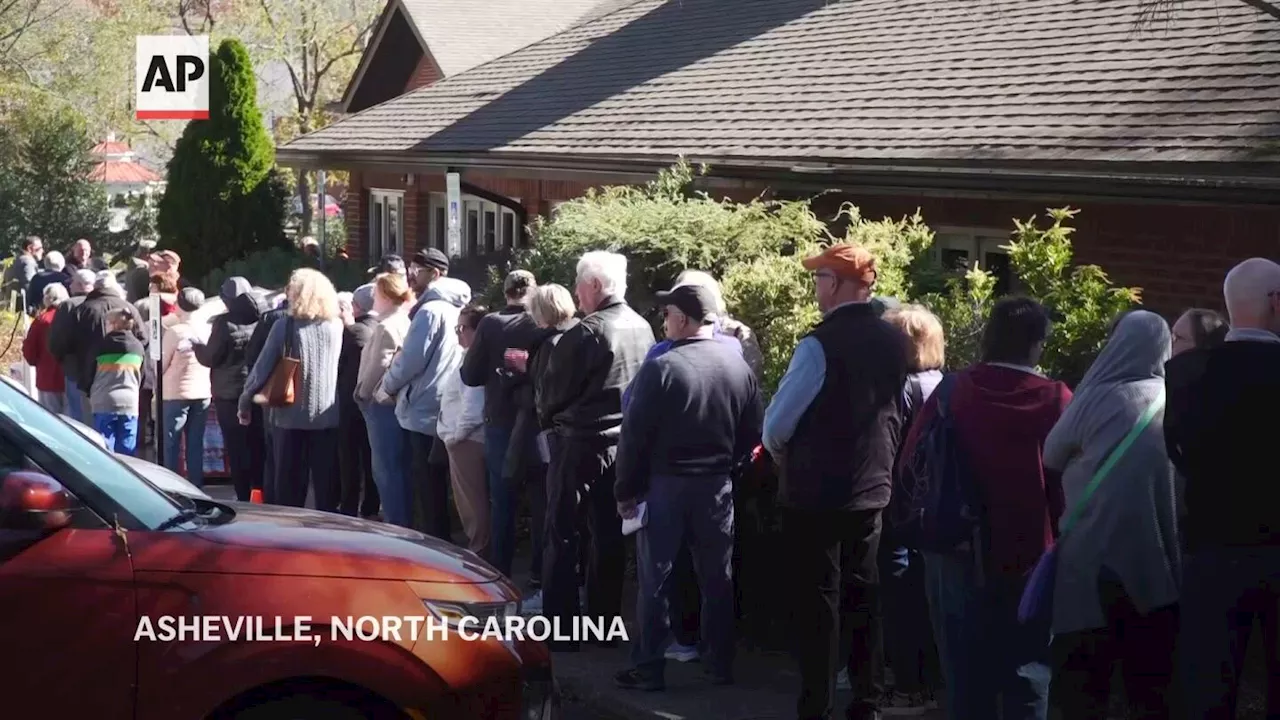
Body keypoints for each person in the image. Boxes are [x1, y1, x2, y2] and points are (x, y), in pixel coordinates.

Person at [898, 296, 1071, 720]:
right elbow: (1069, 483)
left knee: (963, 674)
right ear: (1037, 343)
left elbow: (909, 465)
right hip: (1029, 554)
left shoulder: (953, 390)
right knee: (1027, 674)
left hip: (953, 547)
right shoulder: (1056, 399)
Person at [761, 243, 907, 720]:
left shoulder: (818, 344)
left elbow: (777, 426)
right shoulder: (893, 341)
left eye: (821, 277)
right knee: (866, 595)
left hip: (816, 495)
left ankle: (816, 706)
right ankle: (867, 701)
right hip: (871, 488)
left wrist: (785, 458)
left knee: (818, 603)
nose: (816, 286)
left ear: (842, 284)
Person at [614, 283, 762, 691]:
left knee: (656, 578)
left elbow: (634, 436)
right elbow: (753, 434)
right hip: (716, 486)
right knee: (717, 576)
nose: (664, 323)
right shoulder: (738, 367)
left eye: (666, 316)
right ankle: (720, 663)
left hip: (666, 485)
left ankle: (648, 667)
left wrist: (625, 490)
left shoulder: (661, 368)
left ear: (682, 319)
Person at [1042, 310, 1179, 719]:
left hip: (1089, 560)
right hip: (1157, 561)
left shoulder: (1096, 396)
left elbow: (1051, 456)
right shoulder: (1177, 398)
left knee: (1084, 686)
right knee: (1150, 686)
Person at [1166, 257, 1280, 719]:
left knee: (1207, 689)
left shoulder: (1187, 374)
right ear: (1276, 303)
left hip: (1210, 546)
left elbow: (1179, 456)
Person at [539, 250, 655, 651]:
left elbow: (551, 395)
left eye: (578, 282)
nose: (575, 290)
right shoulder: (643, 328)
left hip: (580, 442)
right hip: (623, 444)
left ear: (594, 287)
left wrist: (549, 419)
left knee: (563, 532)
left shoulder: (586, 333)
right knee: (608, 535)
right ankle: (605, 624)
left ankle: (561, 630)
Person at [876, 304, 946, 705]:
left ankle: (907, 686)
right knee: (927, 597)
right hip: (933, 507)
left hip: (899, 506)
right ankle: (930, 680)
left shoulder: (900, 388)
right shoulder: (945, 384)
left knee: (899, 598)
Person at [378, 253, 470, 539]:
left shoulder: (430, 311)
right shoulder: (456, 308)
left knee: (427, 486)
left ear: (436, 274)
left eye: (417, 270)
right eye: (410, 268)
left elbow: (410, 360)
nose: (410, 274)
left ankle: (433, 546)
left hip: (423, 407)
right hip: (445, 403)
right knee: (438, 485)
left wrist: (387, 386)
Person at [460, 269, 544, 577]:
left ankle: (500, 573)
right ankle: (540, 573)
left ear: (506, 292)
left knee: (503, 500)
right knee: (541, 502)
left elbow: (469, 375)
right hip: (538, 423)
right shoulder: (543, 324)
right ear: (534, 292)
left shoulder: (492, 324)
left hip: (501, 421)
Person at [239, 269, 344, 511]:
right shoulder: (336, 326)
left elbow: (261, 369)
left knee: (288, 488)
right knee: (325, 485)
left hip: (289, 416)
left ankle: (291, 537)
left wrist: (245, 401)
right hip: (327, 416)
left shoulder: (284, 326)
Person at [512, 283, 580, 613]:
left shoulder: (550, 343)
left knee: (552, 516)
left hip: (552, 438)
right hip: (574, 437)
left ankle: (550, 594)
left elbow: (544, 397)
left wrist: (517, 378)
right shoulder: (579, 334)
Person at [192, 277, 268, 501]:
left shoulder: (224, 323)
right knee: (258, 446)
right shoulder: (263, 318)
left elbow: (211, 357)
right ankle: (260, 492)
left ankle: (243, 495)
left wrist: (197, 346)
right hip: (257, 389)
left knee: (236, 448)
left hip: (229, 393)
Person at [355, 272, 415, 526]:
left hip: (380, 405)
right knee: (397, 466)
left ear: (386, 295)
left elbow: (378, 364)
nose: (373, 299)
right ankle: (400, 520)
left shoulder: (386, 326)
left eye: (376, 293)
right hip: (395, 402)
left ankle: (396, 523)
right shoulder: (405, 320)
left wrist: (362, 393)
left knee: (385, 468)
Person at [439, 304, 489, 556]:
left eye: (463, 328)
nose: (458, 333)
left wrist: (455, 437)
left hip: (467, 440)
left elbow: (473, 406)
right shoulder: (468, 355)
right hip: (461, 438)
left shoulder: (475, 359)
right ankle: (478, 546)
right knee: (468, 500)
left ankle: (479, 550)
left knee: (472, 501)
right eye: (456, 328)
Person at [160, 287, 212, 484]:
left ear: (179, 305)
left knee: (171, 444)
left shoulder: (175, 331)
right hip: (202, 391)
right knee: (195, 444)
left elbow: (162, 364)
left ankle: (170, 485)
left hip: (175, 393)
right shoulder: (206, 330)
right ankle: (196, 484)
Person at [337, 285, 379, 518]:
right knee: (372, 456)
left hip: (351, 402)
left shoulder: (353, 332)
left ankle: (349, 507)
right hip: (377, 401)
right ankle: (371, 506)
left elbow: (339, 366)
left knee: (350, 459)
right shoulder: (380, 328)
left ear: (356, 306)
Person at [88, 308, 146, 455]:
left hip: (104, 400)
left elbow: (88, 372)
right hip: (130, 402)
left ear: (113, 324)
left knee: (105, 449)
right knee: (128, 449)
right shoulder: (138, 347)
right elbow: (142, 376)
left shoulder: (100, 345)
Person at [46, 269, 98, 423]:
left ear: (79, 285)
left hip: (74, 368)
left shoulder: (68, 306)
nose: (70, 285)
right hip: (102, 368)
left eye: (73, 282)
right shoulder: (104, 303)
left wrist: (61, 359)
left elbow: (57, 341)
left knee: (78, 416)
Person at [22, 283, 69, 414]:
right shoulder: (73, 317)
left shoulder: (42, 320)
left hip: (48, 378)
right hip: (71, 378)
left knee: (51, 418)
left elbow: (30, 351)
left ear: (47, 299)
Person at [3, 235, 42, 310]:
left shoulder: (12, 261)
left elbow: (4, 286)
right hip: (23, 311)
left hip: (11, 308)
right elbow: (30, 287)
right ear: (30, 248)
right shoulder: (28, 262)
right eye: (40, 248)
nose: (42, 251)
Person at [27, 250, 68, 315]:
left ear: (45, 262)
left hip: (38, 313)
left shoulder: (36, 277)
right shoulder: (66, 279)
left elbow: (30, 299)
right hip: (60, 314)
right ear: (62, 264)